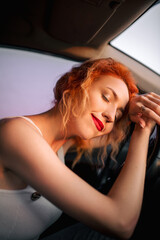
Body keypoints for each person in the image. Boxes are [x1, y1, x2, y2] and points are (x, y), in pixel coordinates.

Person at [0, 58, 159, 240]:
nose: (110, 116)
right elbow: (121, 223)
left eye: (118, 114)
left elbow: (106, 137)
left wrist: (136, 113)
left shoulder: (62, 143)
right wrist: (142, 129)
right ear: (75, 85)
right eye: (106, 97)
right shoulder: (16, 133)